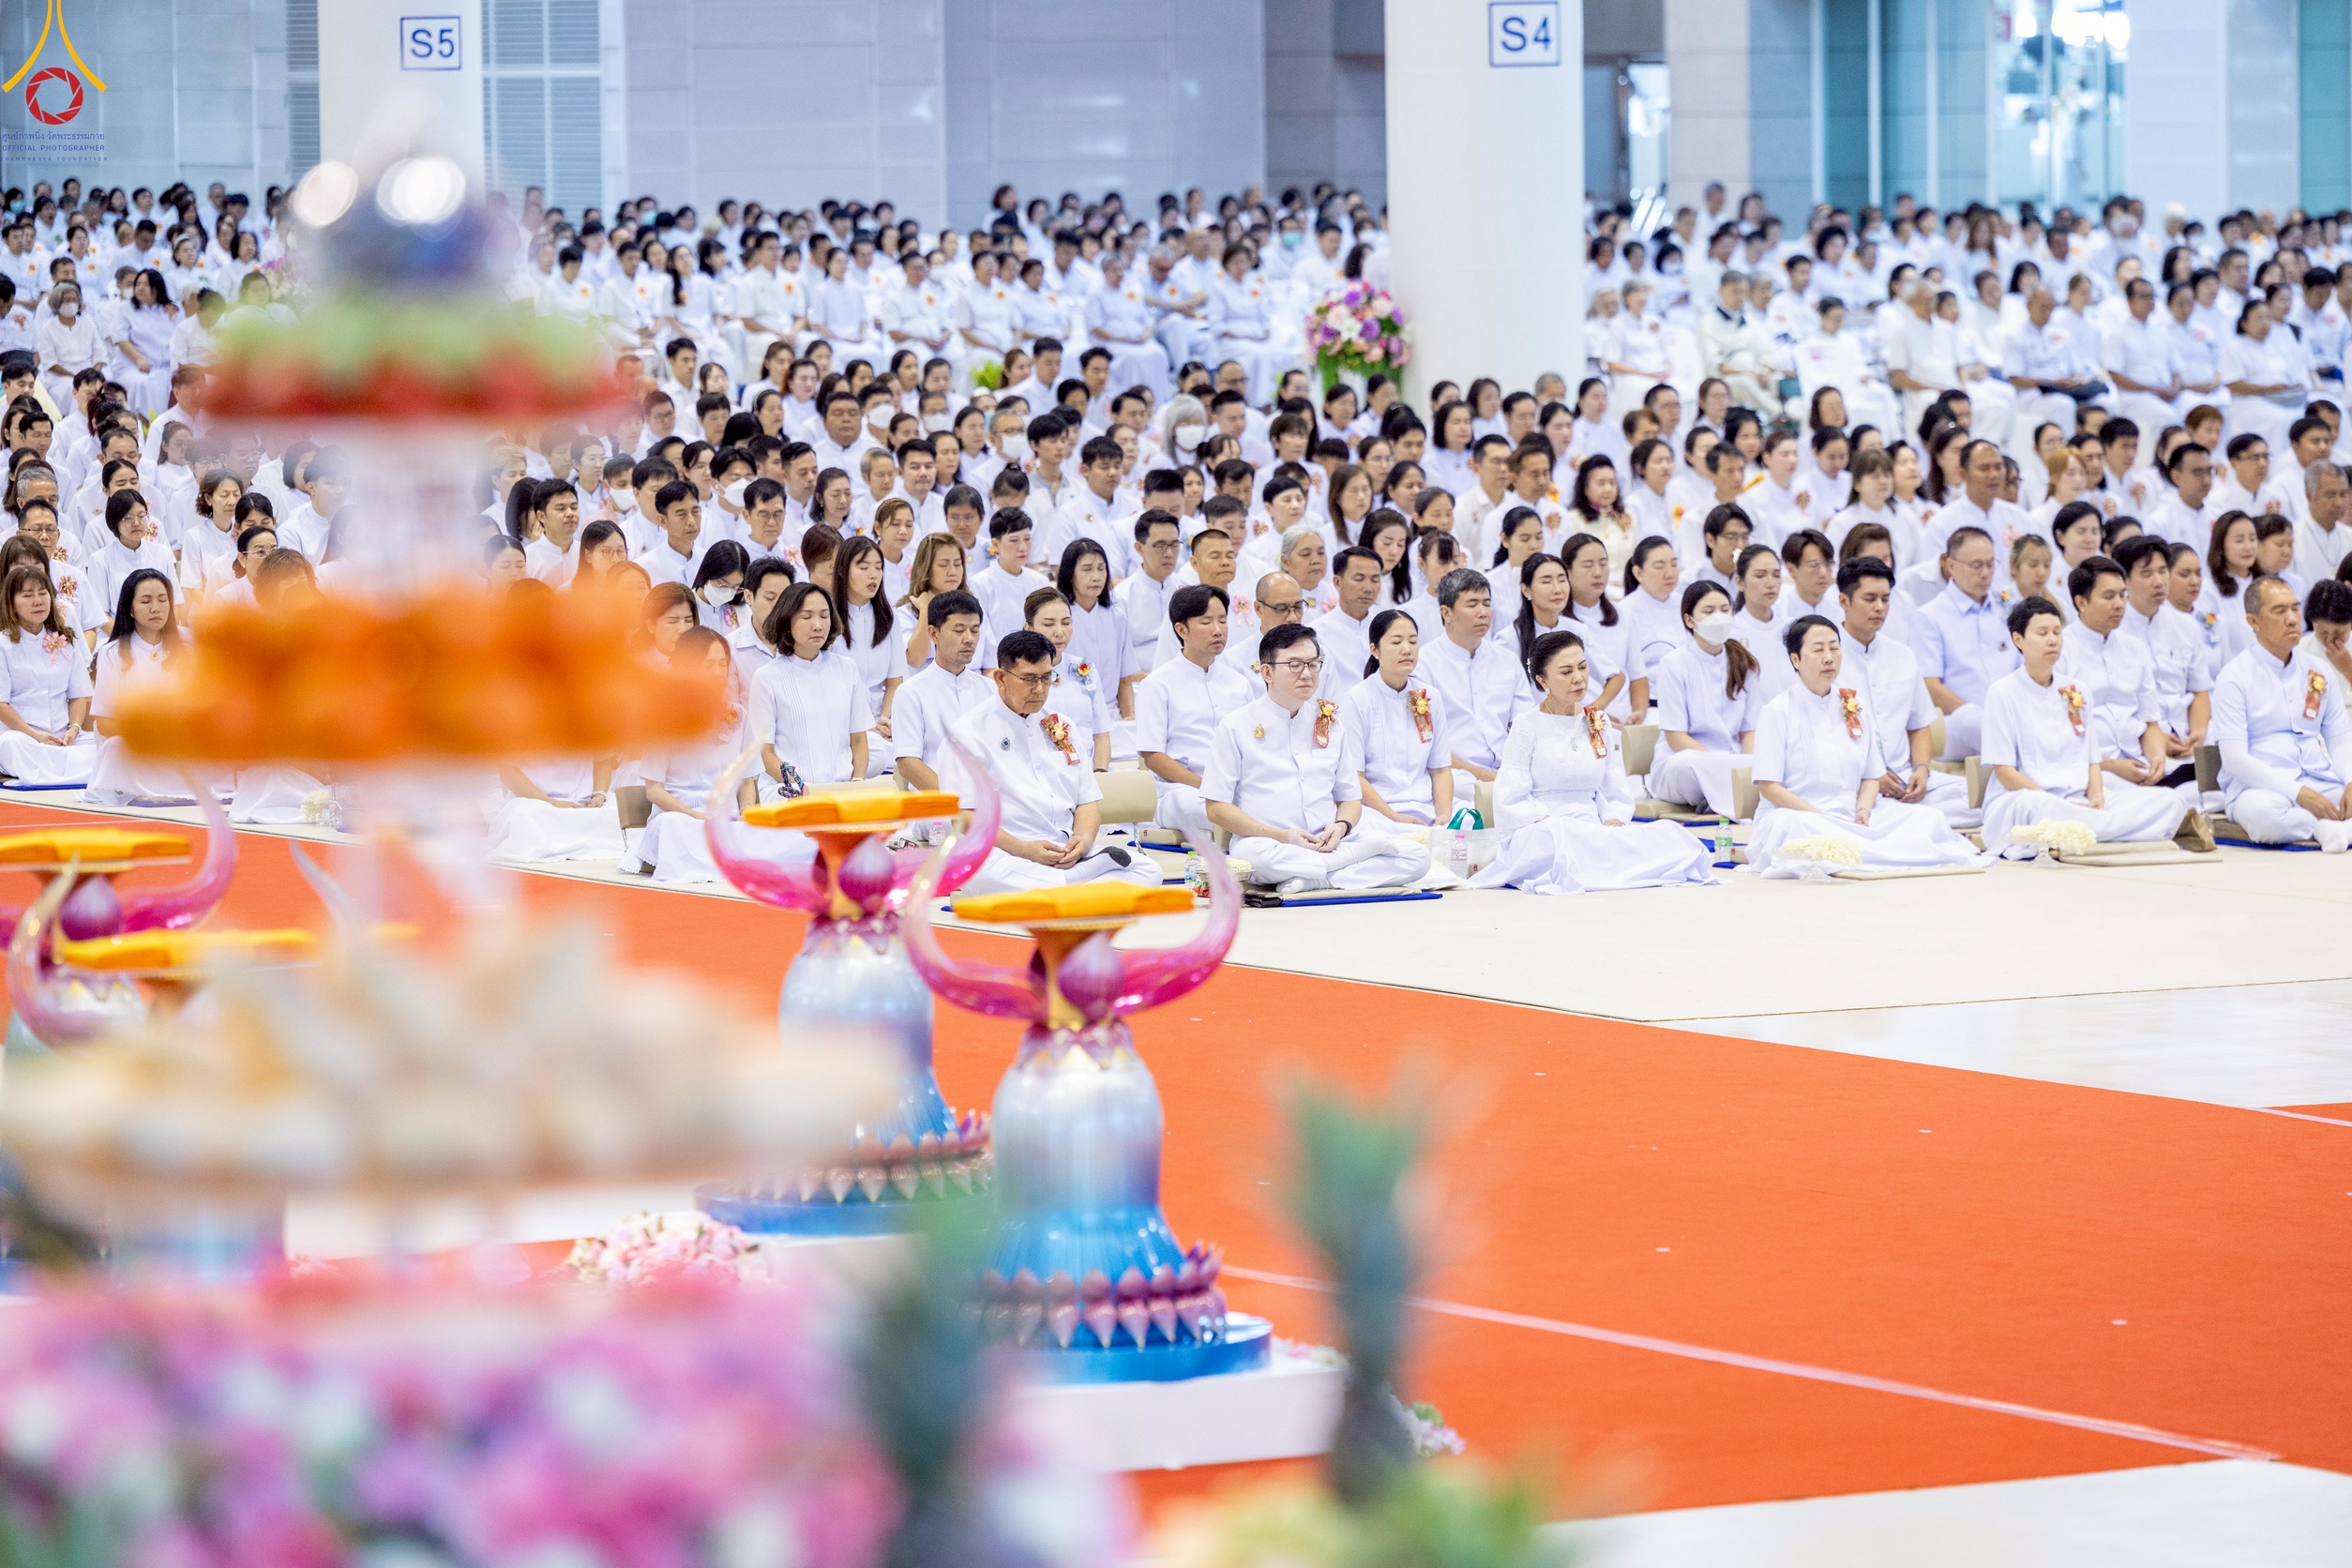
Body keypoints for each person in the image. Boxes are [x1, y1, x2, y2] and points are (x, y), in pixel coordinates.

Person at [1472, 629, 1716, 895]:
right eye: (1566, 672)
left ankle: (1602, 856)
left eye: (1583, 667)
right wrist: (1547, 820)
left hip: (1594, 828)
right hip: (1542, 829)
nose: (1579, 678)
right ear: (1542, 680)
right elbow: (1510, 794)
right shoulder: (1526, 725)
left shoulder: (1598, 721)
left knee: (1671, 836)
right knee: (1562, 841)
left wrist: (1612, 820)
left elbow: (1613, 787)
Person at [1200, 621, 1431, 895]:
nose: (1307, 674)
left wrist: (1342, 826)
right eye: (1294, 665)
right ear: (1267, 672)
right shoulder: (1236, 725)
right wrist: (1283, 836)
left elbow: (1349, 799)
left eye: (1313, 664)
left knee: (1418, 857)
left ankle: (1318, 879)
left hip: (1329, 840)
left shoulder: (1331, 723)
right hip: (1269, 841)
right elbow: (1216, 808)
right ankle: (1342, 867)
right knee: (1255, 859)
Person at [1744, 613, 1984, 874]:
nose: (1829, 657)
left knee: (1928, 818)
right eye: (1818, 649)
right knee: (1803, 830)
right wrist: (1819, 816)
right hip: (1799, 813)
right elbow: (1769, 788)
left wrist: (1863, 812)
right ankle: (1875, 850)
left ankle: (1865, 848)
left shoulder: (1855, 706)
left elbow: (1871, 776)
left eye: (1834, 648)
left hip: (1851, 812)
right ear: (1795, 659)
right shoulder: (1777, 711)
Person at [941, 628, 1161, 893]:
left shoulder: (1061, 725)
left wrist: (1084, 840)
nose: (1040, 689)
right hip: (1005, 852)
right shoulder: (967, 734)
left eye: (1047, 678)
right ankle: (1086, 884)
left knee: (1149, 870)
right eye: (1029, 679)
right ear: (1000, 678)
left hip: (1064, 853)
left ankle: (1068, 889)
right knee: (981, 873)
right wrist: (1023, 850)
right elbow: (962, 817)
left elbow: (1086, 801)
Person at [1981, 594, 2193, 856]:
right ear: (2019, 640)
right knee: (2036, 807)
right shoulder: (2002, 692)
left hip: (2076, 801)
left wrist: (2097, 800)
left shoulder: (2076, 690)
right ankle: (2106, 831)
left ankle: (2090, 829)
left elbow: (2091, 758)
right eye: (2042, 633)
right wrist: (2053, 802)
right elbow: (2004, 772)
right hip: (2029, 801)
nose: (2052, 640)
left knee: (2170, 801)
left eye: (2057, 632)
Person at [2210, 574, 2352, 849]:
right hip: (2260, 790)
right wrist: (2299, 793)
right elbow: (2235, 760)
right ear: (2253, 622)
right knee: (2266, 818)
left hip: (2318, 780)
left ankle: (2332, 829)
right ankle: (2330, 828)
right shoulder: (2234, 677)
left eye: (2295, 608)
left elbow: (2339, 738)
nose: (2292, 618)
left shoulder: (2318, 670)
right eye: (2279, 610)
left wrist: (2350, 781)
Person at [624, 627, 754, 884]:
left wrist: (749, 809)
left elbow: (748, 781)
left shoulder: (738, 715)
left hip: (726, 819)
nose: (718, 673)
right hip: (681, 818)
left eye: (722, 664)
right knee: (673, 826)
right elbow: (654, 790)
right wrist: (694, 816)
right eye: (708, 664)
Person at [1136, 582, 1257, 843]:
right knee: (1210, 811)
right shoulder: (1157, 684)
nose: (1218, 630)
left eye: (1223, 621)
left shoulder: (1239, 682)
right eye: (1206, 622)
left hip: (1234, 785)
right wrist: (1206, 786)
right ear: (1181, 629)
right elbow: (1153, 756)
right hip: (1180, 790)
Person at [87, 566, 210, 805]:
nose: (156, 608)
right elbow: (103, 722)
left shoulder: (189, 645)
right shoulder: (112, 653)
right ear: (130, 609)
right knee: (116, 748)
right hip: (134, 744)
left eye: (163, 600)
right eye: (146, 601)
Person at [1646, 581, 1763, 817]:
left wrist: (1747, 763)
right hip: (1685, 762)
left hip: (1733, 760)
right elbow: (1676, 738)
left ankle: (1720, 799)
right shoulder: (1673, 663)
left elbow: (1749, 731)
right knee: (1691, 763)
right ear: (1689, 620)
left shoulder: (1744, 663)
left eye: (1724, 609)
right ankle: (1723, 796)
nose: (1719, 617)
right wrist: (1719, 768)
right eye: (1709, 612)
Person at [750, 580, 870, 797]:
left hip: (842, 789)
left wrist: (858, 782)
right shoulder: (767, 677)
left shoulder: (846, 668)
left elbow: (859, 739)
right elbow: (764, 752)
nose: (818, 625)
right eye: (807, 617)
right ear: (787, 621)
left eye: (824, 616)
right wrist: (800, 787)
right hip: (788, 791)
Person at [1339, 607, 1454, 828]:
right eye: (1396, 642)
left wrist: (1444, 816)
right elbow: (1355, 777)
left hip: (1427, 805)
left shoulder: (1429, 696)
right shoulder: (1356, 699)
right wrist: (1395, 817)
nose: (1407, 649)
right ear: (1375, 649)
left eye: (1412, 641)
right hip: (1379, 811)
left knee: (1468, 820)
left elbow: (1440, 769)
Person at [1910, 524, 2018, 757]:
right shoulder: (1929, 616)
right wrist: (1985, 718)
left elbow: (2024, 664)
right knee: (1972, 722)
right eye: (1976, 565)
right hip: (1959, 723)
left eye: (1990, 564)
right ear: (1950, 566)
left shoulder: (2007, 606)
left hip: (2011, 715)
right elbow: (1930, 687)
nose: (1985, 573)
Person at [0, 562, 94, 785]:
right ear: (12, 604)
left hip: (63, 738)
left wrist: (74, 729)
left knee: (108, 744)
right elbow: (1, 704)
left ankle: (52, 774)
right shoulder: (3, 644)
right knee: (11, 745)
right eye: (27, 595)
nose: (38, 601)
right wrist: (35, 736)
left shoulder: (65, 640)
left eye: (43, 593)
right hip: (24, 737)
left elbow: (79, 695)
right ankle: (65, 773)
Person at [891, 589, 989, 792]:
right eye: (959, 630)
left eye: (974, 630)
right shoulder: (910, 692)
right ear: (934, 634)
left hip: (989, 804)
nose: (969, 639)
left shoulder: (990, 689)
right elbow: (908, 763)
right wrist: (956, 804)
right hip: (938, 808)